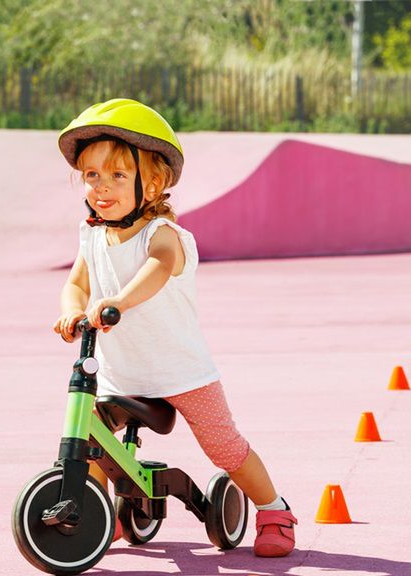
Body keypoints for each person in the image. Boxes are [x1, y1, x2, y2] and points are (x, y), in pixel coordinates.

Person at [51, 98, 296, 558]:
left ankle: (272, 508)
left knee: (224, 447)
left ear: (154, 182)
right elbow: (76, 283)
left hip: (181, 370)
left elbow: (159, 268)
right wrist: (71, 310)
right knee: (90, 442)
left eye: (118, 176)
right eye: (92, 176)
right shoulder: (92, 234)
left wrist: (119, 301)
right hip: (119, 372)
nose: (102, 188)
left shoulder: (162, 234)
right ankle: (96, 512)